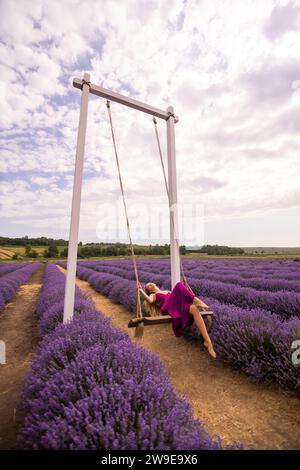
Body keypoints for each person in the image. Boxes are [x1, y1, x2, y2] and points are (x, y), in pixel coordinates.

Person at [136, 277, 216, 359]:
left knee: (194, 309)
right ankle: (197, 301)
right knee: (178, 285)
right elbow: (149, 300)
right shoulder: (153, 295)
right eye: (148, 286)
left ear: (155, 284)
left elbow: (180, 296)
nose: (149, 284)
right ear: (150, 290)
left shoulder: (166, 291)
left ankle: (208, 342)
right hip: (168, 308)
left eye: (150, 283)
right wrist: (141, 290)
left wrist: (184, 284)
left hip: (176, 306)